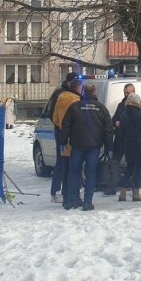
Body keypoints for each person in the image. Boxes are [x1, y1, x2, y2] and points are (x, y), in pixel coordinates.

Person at [60, 83, 113, 211]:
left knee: (74, 172)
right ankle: (88, 202)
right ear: (95, 92)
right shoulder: (101, 108)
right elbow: (108, 129)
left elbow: (65, 125)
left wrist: (63, 141)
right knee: (90, 173)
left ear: (83, 92)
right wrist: (108, 147)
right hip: (94, 146)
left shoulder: (74, 107)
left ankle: (71, 201)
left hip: (77, 145)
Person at [44, 72, 78, 203]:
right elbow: (53, 114)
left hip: (66, 132)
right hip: (63, 133)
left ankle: (65, 191)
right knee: (62, 162)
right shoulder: (62, 94)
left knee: (68, 162)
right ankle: (56, 192)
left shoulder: (69, 94)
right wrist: (63, 128)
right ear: (69, 82)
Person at [52, 77, 82, 206]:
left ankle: (63, 194)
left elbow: (55, 118)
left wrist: (62, 129)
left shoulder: (60, 98)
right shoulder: (77, 101)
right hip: (76, 138)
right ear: (77, 88)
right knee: (75, 169)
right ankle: (73, 195)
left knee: (63, 166)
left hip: (62, 137)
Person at [118, 92, 141, 202]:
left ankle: (123, 193)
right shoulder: (140, 114)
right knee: (138, 169)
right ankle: (136, 193)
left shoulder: (123, 114)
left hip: (128, 144)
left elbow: (122, 131)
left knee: (129, 168)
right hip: (139, 144)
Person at [111, 83, 136, 198]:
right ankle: (116, 183)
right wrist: (116, 123)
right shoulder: (121, 105)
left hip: (132, 139)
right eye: (125, 92)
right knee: (115, 161)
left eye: (129, 92)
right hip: (120, 137)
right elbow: (114, 119)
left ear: (133, 92)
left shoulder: (139, 105)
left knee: (132, 163)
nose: (126, 94)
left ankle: (129, 186)